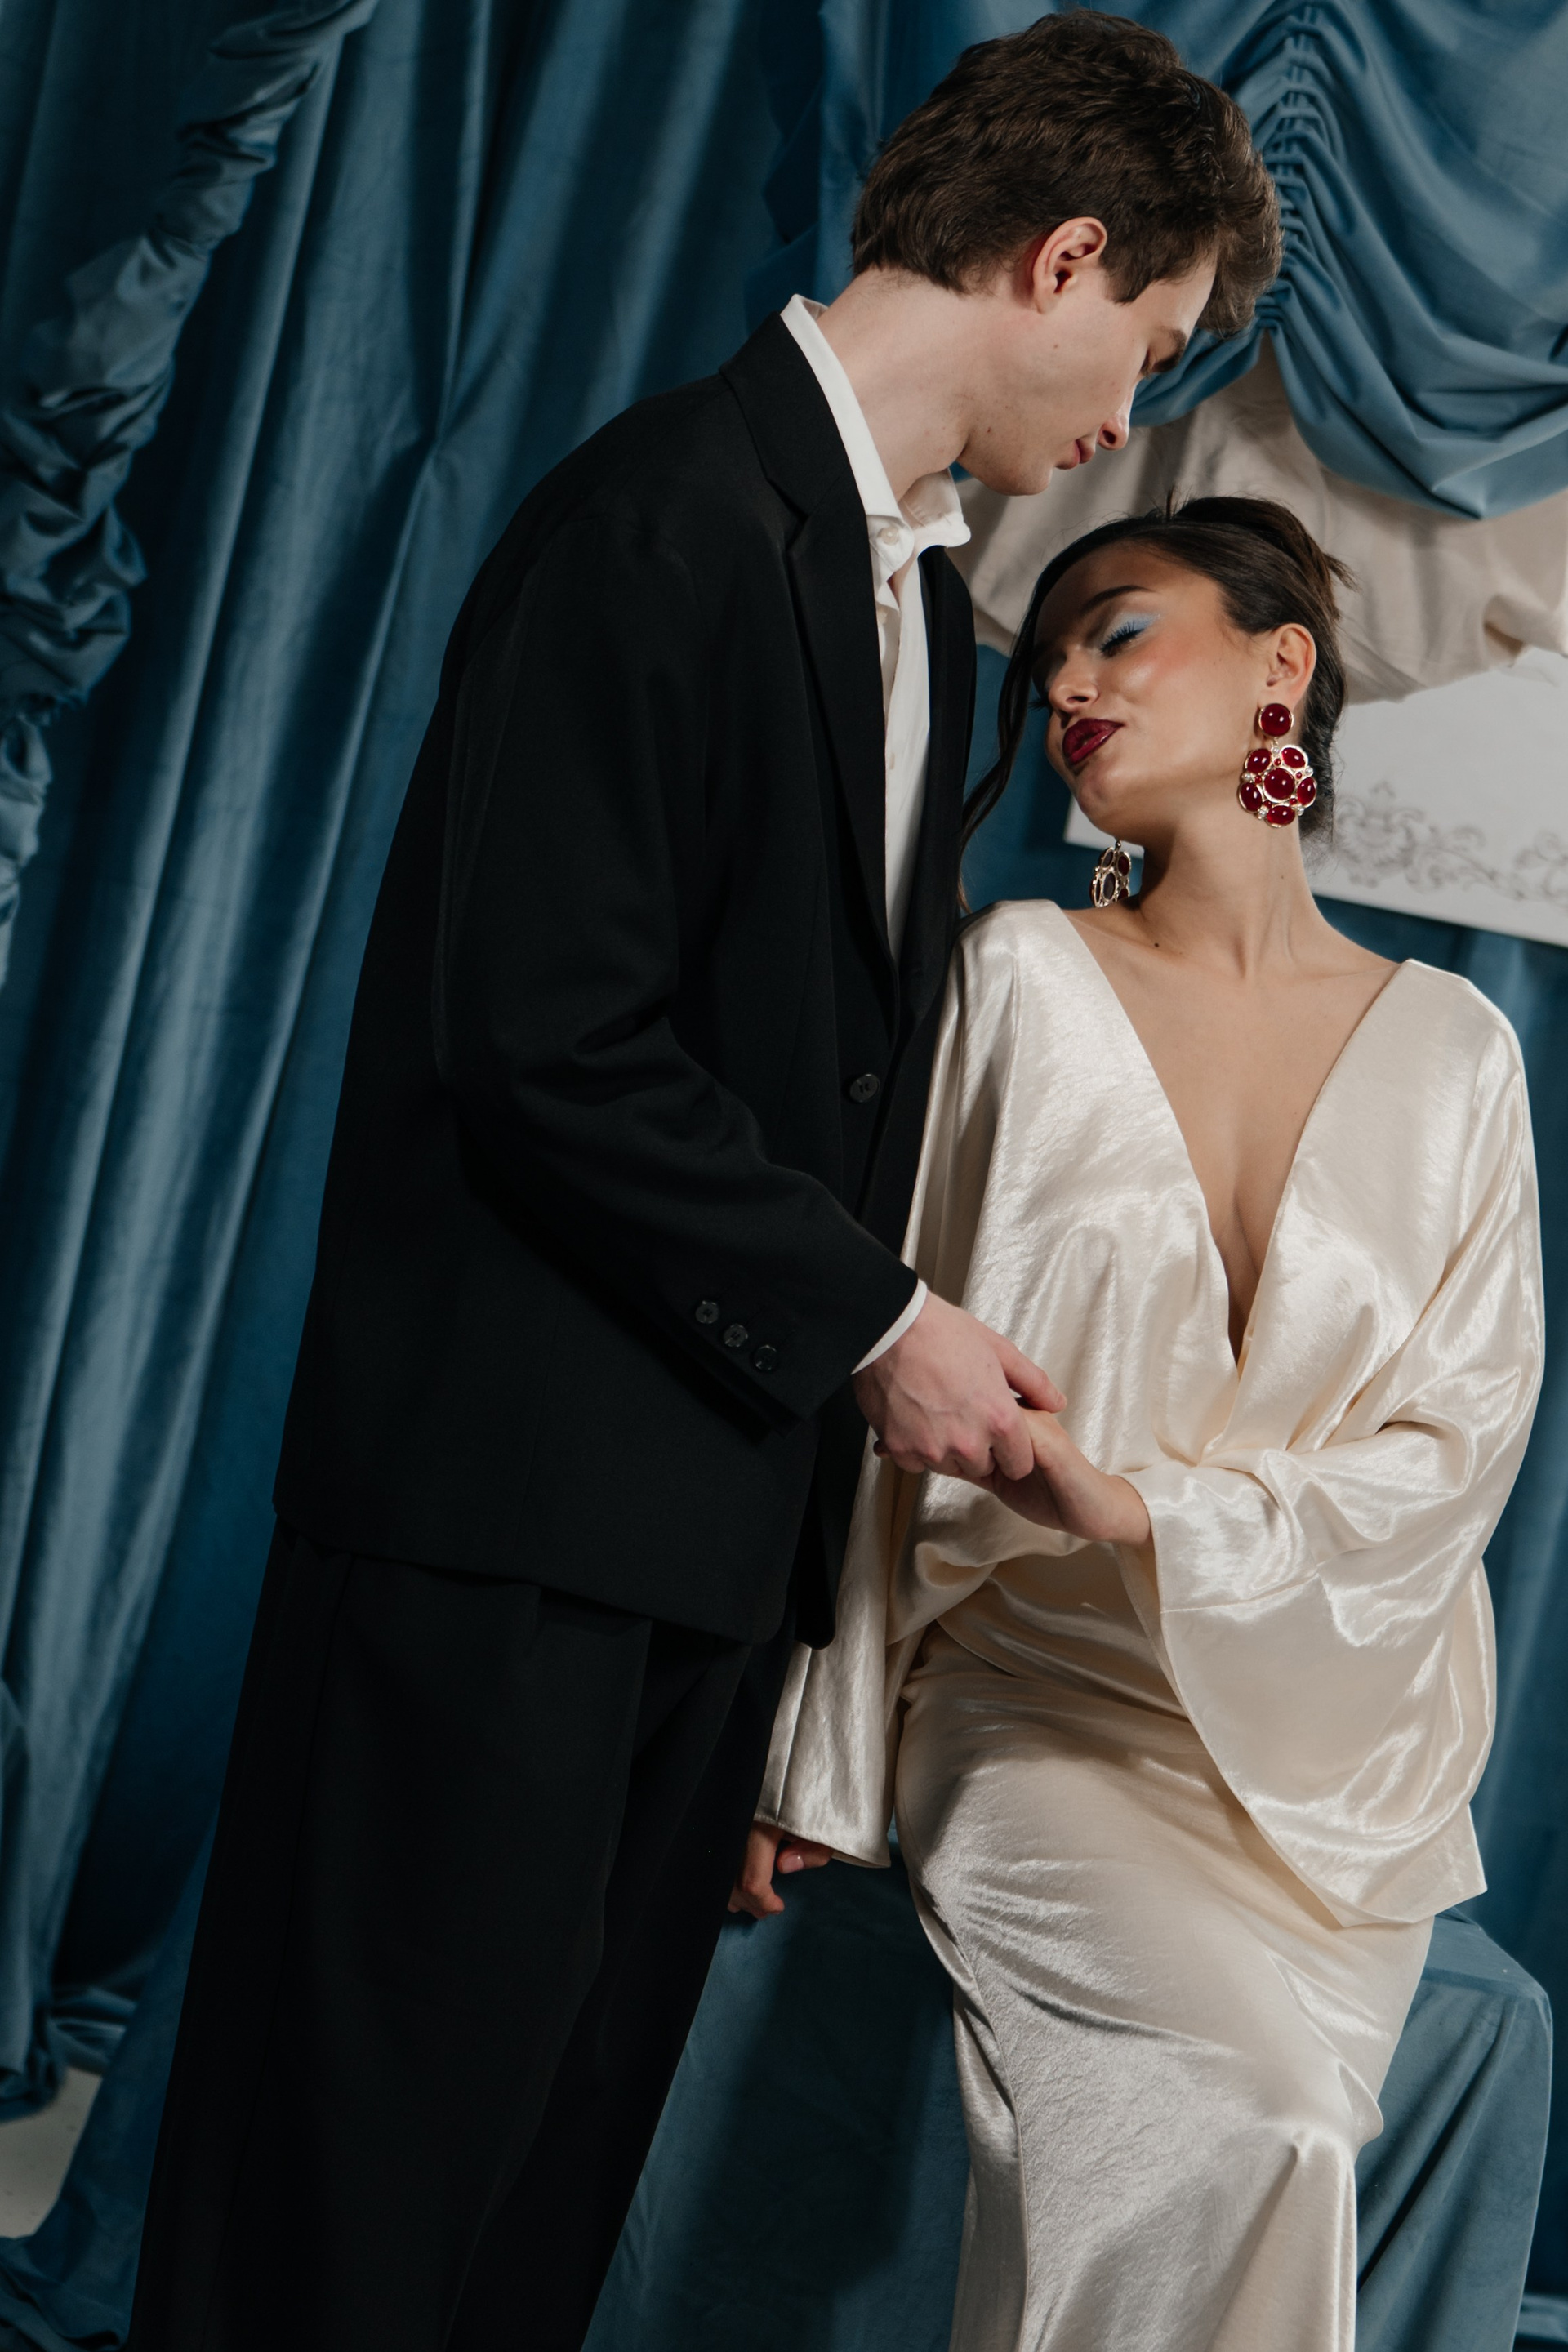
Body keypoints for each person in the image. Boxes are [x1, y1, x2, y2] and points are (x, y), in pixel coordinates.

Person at [128, 20, 1278, 2351]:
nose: (1128, 420)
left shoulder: (914, 601)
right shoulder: (654, 517)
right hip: (494, 1538)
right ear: (1066, 257)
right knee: (355, 2211)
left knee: (521, 2225)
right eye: (1150, 349)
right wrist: (882, 1328)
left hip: (691, 1565)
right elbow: (541, 1035)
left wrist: (786, 1647)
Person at [736, 496, 1544, 2352]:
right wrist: (812, 1758)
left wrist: (1147, 1510)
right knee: (1262, 2128)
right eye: (1048, 665)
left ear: (1283, 665)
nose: (1068, 690)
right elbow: (879, 1384)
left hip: (1331, 1772)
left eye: (1119, 633)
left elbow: (1457, 1456)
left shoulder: (1457, 1053)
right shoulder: (1016, 975)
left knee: (1292, 2132)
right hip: (1037, 1706)